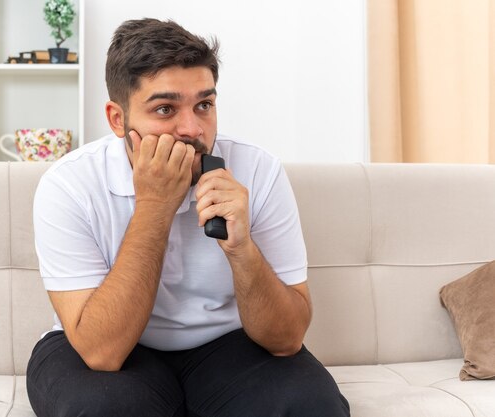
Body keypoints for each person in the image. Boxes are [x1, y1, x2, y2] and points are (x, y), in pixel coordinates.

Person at [27, 18, 350, 417]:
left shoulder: (258, 170)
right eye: (165, 109)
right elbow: (102, 351)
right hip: (104, 347)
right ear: (117, 119)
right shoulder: (69, 185)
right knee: (103, 408)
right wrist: (154, 207)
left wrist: (242, 249)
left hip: (226, 346)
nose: (192, 128)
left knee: (311, 404)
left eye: (204, 105)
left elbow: (285, 340)